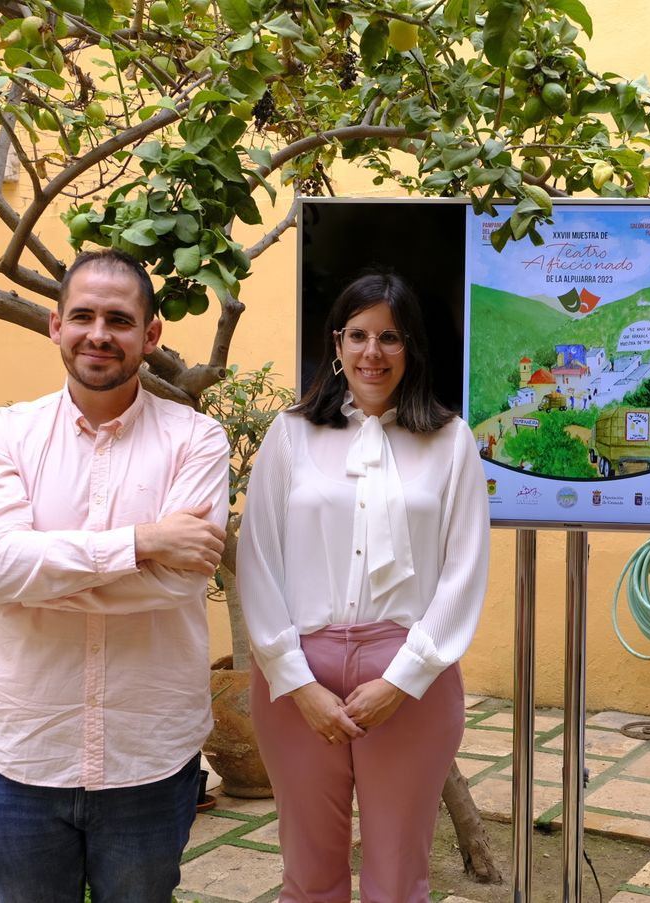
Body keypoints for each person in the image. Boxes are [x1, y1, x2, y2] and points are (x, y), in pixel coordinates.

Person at [0, 249, 230, 903]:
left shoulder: (196, 440)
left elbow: (181, 581)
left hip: (148, 759)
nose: (99, 333)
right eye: (82, 315)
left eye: (119, 318)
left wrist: (44, 571)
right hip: (24, 755)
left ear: (150, 335)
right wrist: (145, 541)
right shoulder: (4, 435)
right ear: (56, 325)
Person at [238, 270, 490, 903]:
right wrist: (295, 683)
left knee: (398, 880)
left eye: (390, 337)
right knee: (309, 875)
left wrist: (403, 679)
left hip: (407, 671)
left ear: (413, 348)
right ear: (337, 343)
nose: (372, 353)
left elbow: (463, 571)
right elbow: (258, 557)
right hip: (298, 670)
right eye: (358, 335)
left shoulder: (450, 441)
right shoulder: (292, 433)